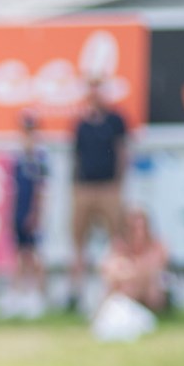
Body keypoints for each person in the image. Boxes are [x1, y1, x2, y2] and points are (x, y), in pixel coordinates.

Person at [68, 77, 128, 313]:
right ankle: (76, 294)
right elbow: (76, 157)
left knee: (117, 240)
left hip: (108, 187)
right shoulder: (80, 124)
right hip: (84, 188)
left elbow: (123, 152)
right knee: (78, 242)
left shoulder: (115, 120)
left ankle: (117, 291)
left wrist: (118, 183)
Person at [93, 208, 168, 342]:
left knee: (145, 283)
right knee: (123, 286)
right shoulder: (118, 246)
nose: (138, 232)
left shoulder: (157, 245)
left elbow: (154, 268)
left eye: (141, 227)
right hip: (126, 293)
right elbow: (108, 270)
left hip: (150, 295)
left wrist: (130, 271)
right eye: (133, 228)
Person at [0, 111, 49, 320]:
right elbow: (12, 188)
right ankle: (17, 294)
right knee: (19, 255)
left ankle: (37, 295)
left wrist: (36, 214)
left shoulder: (39, 157)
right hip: (18, 212)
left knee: (34, 255)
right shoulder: (17, 157)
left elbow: (42, 189)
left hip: (31, 213)